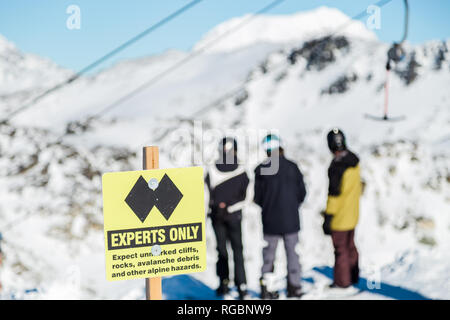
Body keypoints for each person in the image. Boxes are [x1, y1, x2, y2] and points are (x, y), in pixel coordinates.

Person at [254, 134, 307, 299]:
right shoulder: (293, 167)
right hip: (291, 220)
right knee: (292, 255)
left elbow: (257, 198)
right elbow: (302, 193)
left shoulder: (260, 170)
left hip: (270, 222)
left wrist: (269, 207)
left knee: (269, 257)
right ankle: (294, 288)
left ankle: (267, 289)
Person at [205, 137, 249, 299]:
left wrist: (217, 208)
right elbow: (246, 196)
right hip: (234, 217)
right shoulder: (241, 169)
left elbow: (207, 194)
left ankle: (223, 283)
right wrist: (230, 207)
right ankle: (241, 286)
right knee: (238, 251)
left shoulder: (212, 168)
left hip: (217, 217)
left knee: (222, 251)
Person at [322, 128, 362, 293]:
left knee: (341, 250)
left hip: (340, 217)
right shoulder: (353, 160)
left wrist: (328, 216)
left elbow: (334, 195)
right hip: (352, 213)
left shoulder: (337, 167)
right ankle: (354, 276)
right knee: (350, 246)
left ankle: (342, 283)